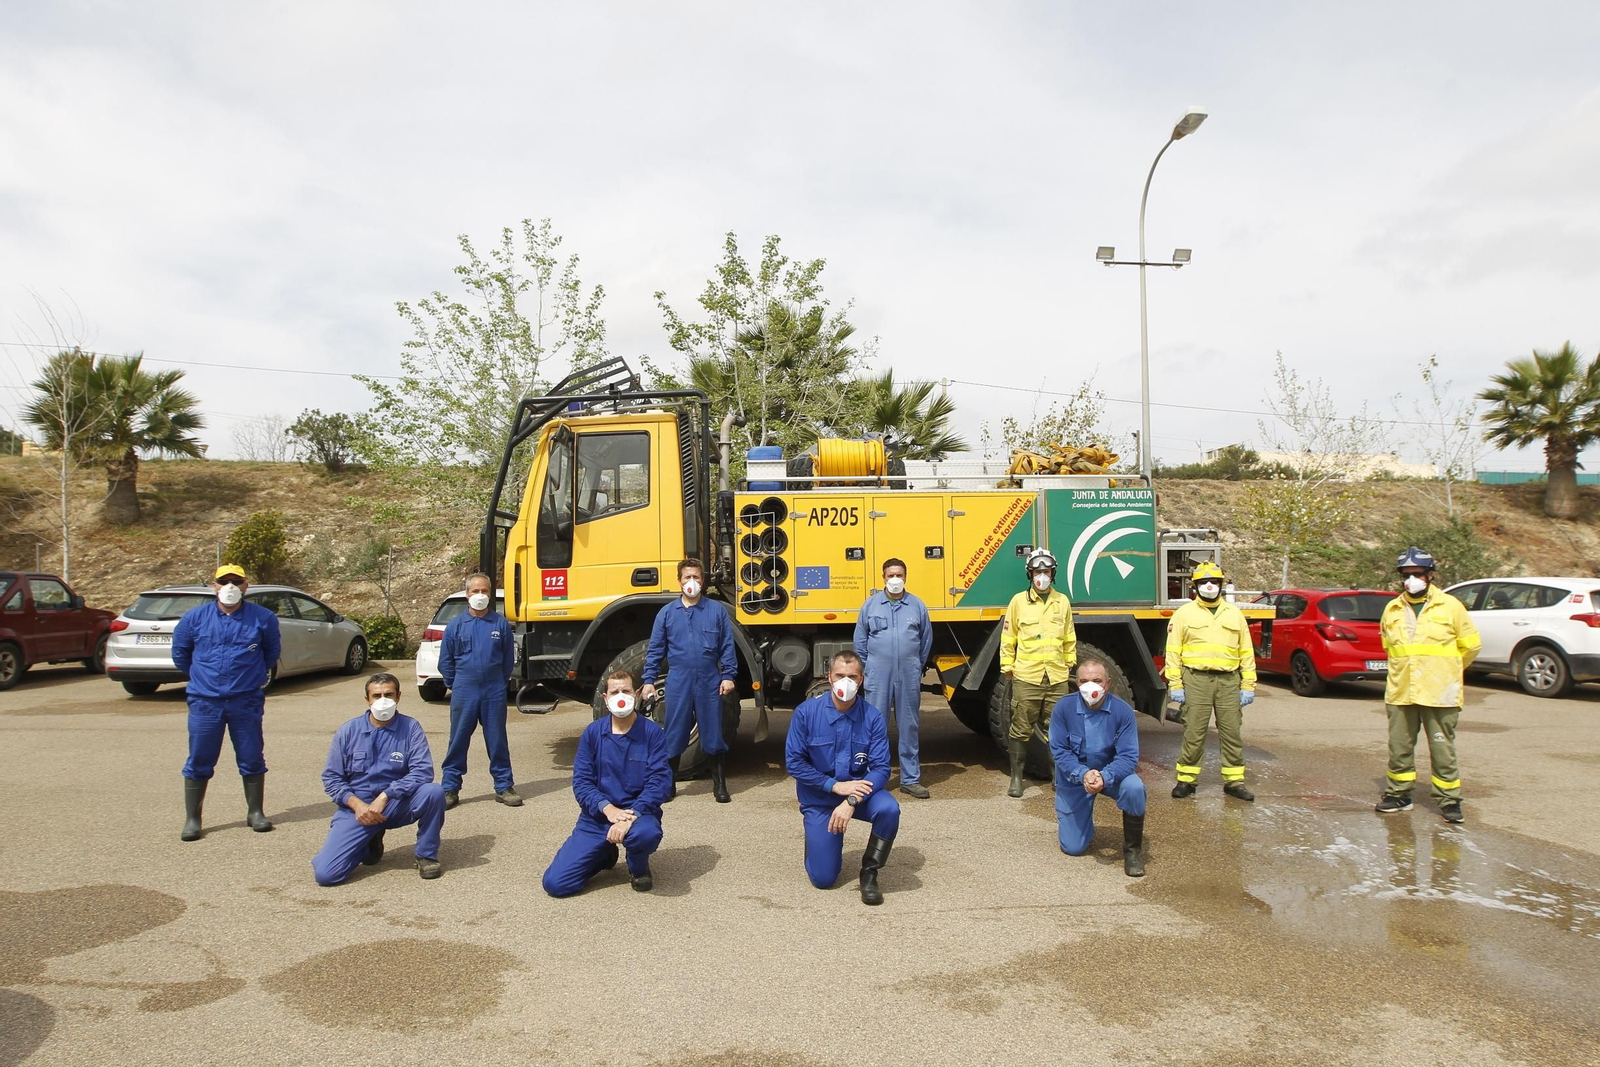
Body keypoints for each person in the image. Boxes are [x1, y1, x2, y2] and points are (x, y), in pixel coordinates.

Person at [172, 563, 282, 841]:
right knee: (199, 758)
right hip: (205, 702)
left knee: (251, 756)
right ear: (214, 586)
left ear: (246, 586)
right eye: (225, 581)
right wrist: (204, 679)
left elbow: (270, 654)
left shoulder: (263, 618)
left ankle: (255, 812)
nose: (231, 586)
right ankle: (193, 818)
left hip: (246, 701)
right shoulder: (194, 618)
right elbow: (181, 655)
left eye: (237, 581)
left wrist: (249, 679)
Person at [784, 651, 900, 905]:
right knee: (823, 879)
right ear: (829, 677)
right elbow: (794, 763)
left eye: (852, 676)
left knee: (889, 808)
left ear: (861, 680)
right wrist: (834, 786)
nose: (845, 682)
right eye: (839, 675)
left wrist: (851, 800)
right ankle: (818, 843)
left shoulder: (872, 717)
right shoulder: (806, 713)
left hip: (858, 794)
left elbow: (881, 768)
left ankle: (870, 873)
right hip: (820, 799)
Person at [542, 670, 672, 896]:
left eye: (626, 691)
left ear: (638, 693)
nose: (621, 696)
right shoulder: (593, 733)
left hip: (638, 814)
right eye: (615, 692)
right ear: (605, 698)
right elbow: (582, 783)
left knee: (646, 834)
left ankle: (638, 866)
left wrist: (631, 815)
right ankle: (604, 854)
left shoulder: (652, 734)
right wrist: (607, 809)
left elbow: (659, 782)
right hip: (598, 817)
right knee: (556, 884)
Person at [1376, 546, 1480, 824]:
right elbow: (1389, 647)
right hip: (1401, 690)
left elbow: (1470, 646)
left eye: (1418, 574)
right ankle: (1398, 794)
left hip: (1439, 692)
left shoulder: (1450, 606)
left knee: (1441, 748)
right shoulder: (1393, 608)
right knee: (1399, 747)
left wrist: (1447, 671)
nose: (1412, 580)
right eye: (1406, 575)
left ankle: (1449, 801)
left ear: (1430, 575)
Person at [312, 673, 446, 884]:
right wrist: (357, 805)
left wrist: (386, 795)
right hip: (359, 809)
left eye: (389, 694)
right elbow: (332, 778)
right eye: (377, 695)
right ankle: (368, 843)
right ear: (367, 699)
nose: (383, 700)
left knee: (434, 792)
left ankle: (426, 855)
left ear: (398, 696)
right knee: (326, 875)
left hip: (396, 802)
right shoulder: (348, 731)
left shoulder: (410, 728)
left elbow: (423, 771)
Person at [641, 559, 737, 804]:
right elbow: (655, 650)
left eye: (696, 577)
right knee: (674, 731)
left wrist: (728, 675)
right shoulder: (667, 614)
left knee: (713, 731)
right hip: (678, 679)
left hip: (709, 680)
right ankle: (669, 784)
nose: (691, 582)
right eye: (687, 578)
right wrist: (649, 680)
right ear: (679, 581)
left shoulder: (716, 611)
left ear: (703, 581)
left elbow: (727, 645)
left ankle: (720, 786)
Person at [1167, 561, 1257, 801]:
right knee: (1194, 733)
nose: (1209, 586)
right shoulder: (1184, 614)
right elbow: (1173, 652)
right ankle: (1186, 780)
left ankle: (1234, 782)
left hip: (1229, 680)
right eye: (1204, 582)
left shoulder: (1234, 614)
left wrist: (1248, 685)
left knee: (1231, 732)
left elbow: (1246, 652)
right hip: (1196, 679)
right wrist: (1175, 684)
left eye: (1214, 582)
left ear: (1221, 585)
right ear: (1195, 586)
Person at [1048, 657, 1146, 877]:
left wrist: (1105, 775)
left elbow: (1129, 755)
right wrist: (1082, 774)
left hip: (1112, 774)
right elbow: (1060, 751)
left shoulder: (1123, 712)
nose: (1091, 686)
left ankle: (1133, 852)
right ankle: (1082, 821)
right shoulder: (1063, 708)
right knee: (1073, 848)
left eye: (1097, 680)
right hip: (1075, 778)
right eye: (1084, 681)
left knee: (1134, 788)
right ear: (1077, 683)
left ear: (1108, 684)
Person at [999, 547, 1077, 798]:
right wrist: (1007, 667)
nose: (1041, 576)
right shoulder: (1018, 601)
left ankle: (1058, 777)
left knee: (1057, 728)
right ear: (1030, 574)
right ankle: (1017, 779)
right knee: (1020, 728)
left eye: (1046, 571)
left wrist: (1070, 662)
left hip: (1056, 676)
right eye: (1037, 571)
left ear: (1053, 574)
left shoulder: (1061, 601)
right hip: (1027, 676)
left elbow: (1069, 635)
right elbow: (1008, 637)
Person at [853, 558, 934, 798]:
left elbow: (925, 640)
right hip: (878, 673)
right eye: (890, 575)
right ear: (883, 578)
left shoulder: (917, 606)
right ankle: (872, 777)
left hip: (908, 674)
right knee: (874, 725)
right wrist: (870, 667)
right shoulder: (870, 606)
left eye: (899, 574)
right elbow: (860, 641)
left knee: (909, 725)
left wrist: (915, 665)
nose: (895, 579)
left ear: (905, 577)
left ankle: (910, 779)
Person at [439, 573, 519, 809]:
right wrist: (457, 684)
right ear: (467, 595)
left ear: (490, 594)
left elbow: (507, 660)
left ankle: (504, 786)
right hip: (464, 690)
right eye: (476, 591)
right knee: (458, 740)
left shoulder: (500, 624)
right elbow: (446, 662)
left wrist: (499, 682)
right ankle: (450, 788)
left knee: (497, 740)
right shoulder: (455, 626)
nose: (480, 596)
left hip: (493, 690)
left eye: (485, 591)